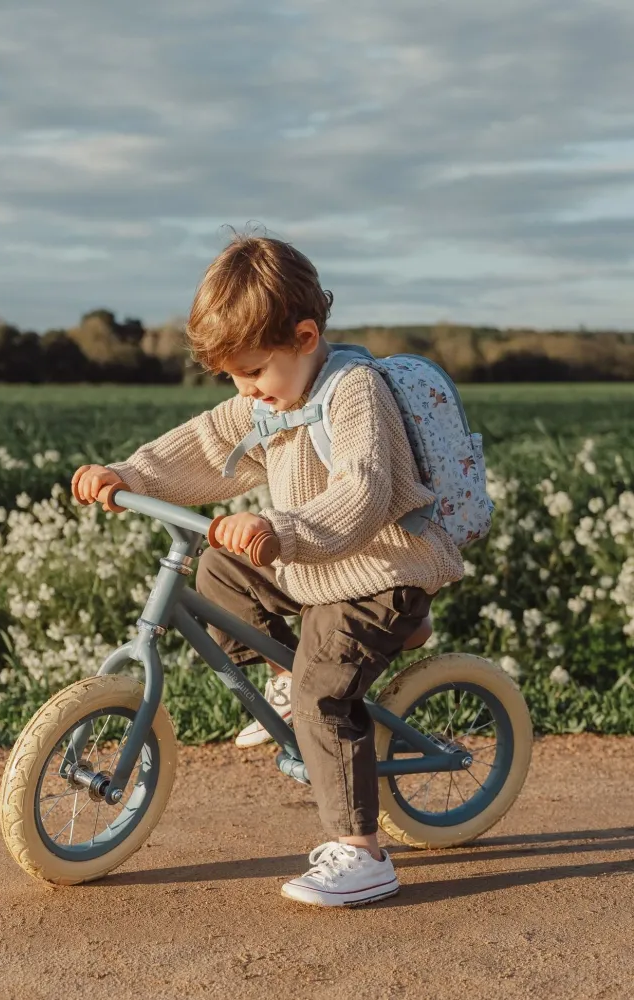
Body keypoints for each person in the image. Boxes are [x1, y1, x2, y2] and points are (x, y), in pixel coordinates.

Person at [72, 233, 463, 907]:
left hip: (381, 568)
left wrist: (281, 527)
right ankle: (287, 679)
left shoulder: (353, 393)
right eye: (233, 378)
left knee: (325, 695)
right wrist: (127, 474)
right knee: (220, 565)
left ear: (306, 336)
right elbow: (206, 442)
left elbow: (363, 492)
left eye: (252, 372)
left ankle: (363, 852)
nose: (245, 390)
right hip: (315, 564)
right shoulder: (267, 398)